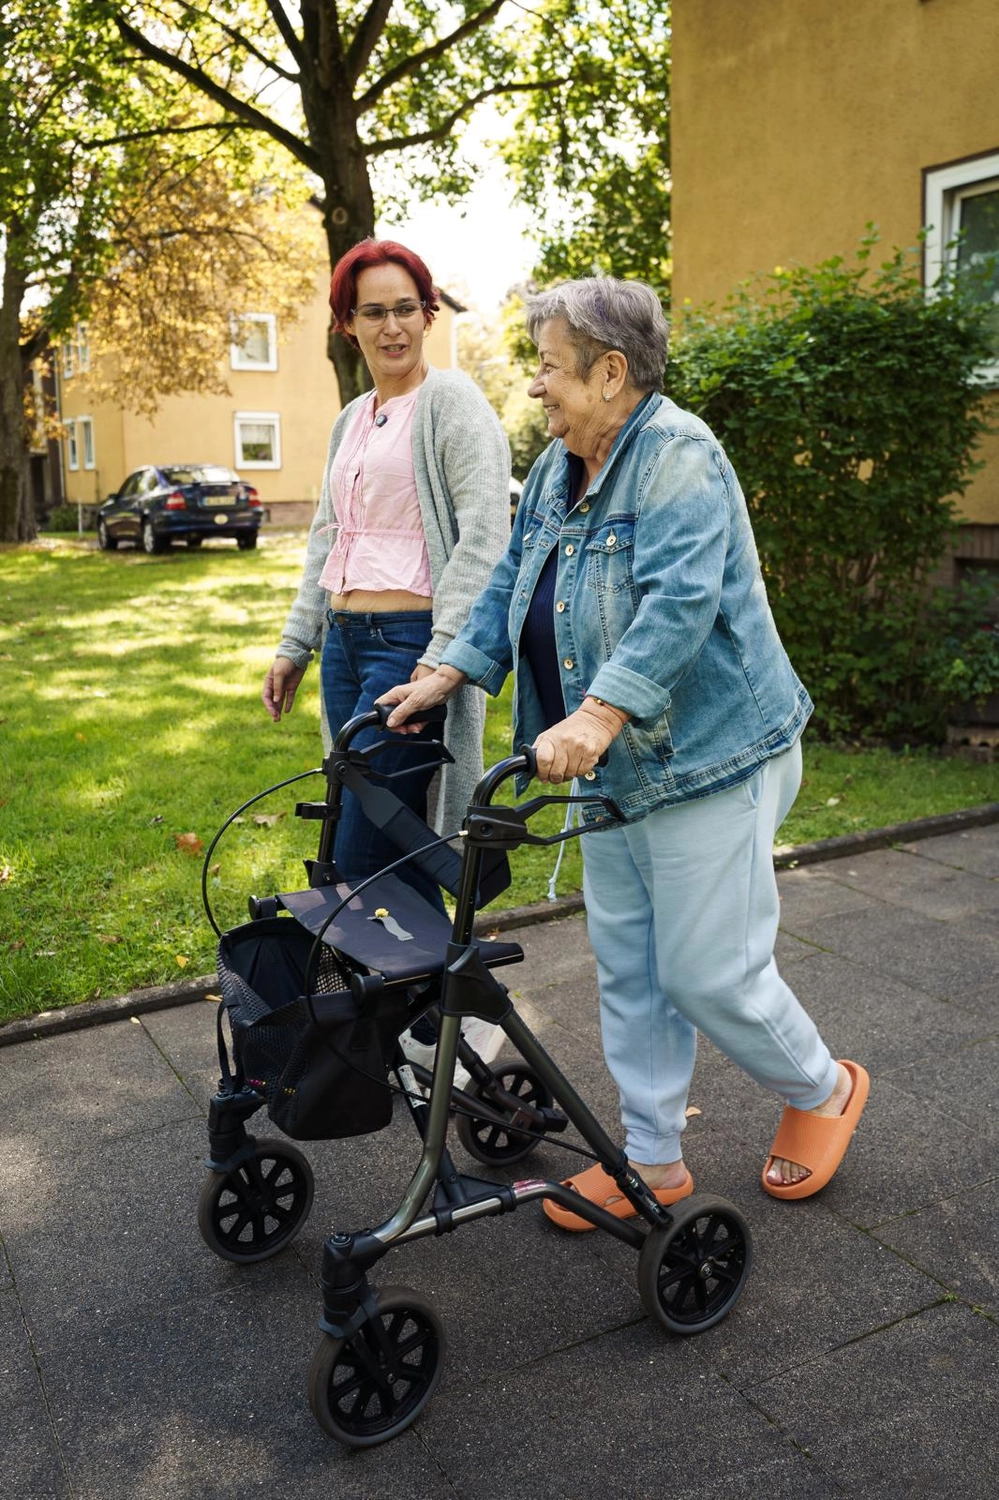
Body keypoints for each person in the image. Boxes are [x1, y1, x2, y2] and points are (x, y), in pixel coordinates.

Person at [378, 275, 869, 1226]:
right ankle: (652, 1159)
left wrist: (598, 715)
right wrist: (452, 669)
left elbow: (679, 604)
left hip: (706, 757)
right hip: (606, 765)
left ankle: (822, 1087)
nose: (535, 388)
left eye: (549, 369)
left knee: (706, 971)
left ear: (610, 373)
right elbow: (513, 575)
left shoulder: (677, 456)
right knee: (631, 967)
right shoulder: (563, 462)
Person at [261, 237, 510, 1071]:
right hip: (347, 640)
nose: (393, 324)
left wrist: (443, 658)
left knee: (375, 846)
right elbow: (326, 539)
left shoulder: (454, 405)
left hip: (410, 644)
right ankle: (417, 1012)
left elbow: (483, 540)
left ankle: (440, 1013)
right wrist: (297, 643)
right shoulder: (348, 419)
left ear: (428, 314)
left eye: (407, 306)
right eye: (374, 310)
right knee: (358, 838)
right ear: (347, 325)